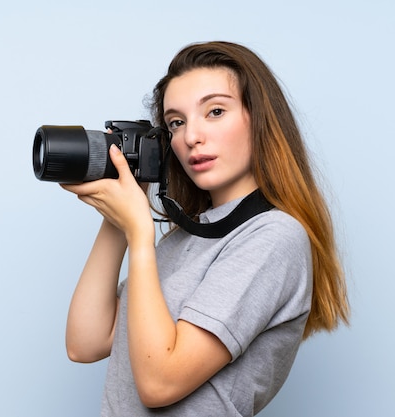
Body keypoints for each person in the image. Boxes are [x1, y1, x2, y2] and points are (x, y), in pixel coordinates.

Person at [61, 41, 350, 416]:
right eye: (176, 123)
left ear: (259, 118)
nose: (191, 137)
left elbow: (159, 383)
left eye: (215, 111)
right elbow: (86, 343)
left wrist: (139, 233)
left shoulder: (274, 237)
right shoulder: (182, 240)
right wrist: (117, 218)